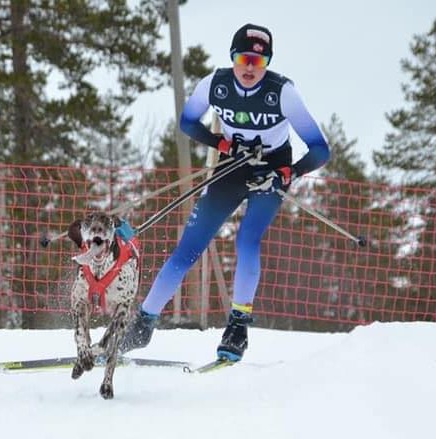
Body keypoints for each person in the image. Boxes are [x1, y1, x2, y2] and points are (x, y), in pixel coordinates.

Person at [119, 23, 330, 362]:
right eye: (244, 58)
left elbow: (320, 150)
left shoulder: (283, 92)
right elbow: (188, 123)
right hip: (232, 166)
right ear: (233, 57)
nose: (250, 68)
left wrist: (287, 173)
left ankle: (237, 325)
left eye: (259, 62)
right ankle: (143, 323)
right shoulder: (214, 85)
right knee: (189, 246)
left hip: (270, 171)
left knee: (247, 240)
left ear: (267, 64)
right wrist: (221, 143)